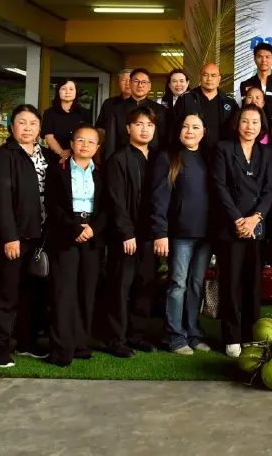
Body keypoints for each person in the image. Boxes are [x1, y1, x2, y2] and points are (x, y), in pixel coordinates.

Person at [0, 104, 53, 367]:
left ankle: (26, 342)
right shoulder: (2, 156)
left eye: (33, 123)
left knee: (33, 294)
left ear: (39, 128)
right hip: (15, 237)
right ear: (11, 127)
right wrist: (9, 236)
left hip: (41, 236)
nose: (27, 128)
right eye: (22, 122)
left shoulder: (45, 155)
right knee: (6, 293)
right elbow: (0, 201)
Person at [212, 105, 272, 357]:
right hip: (231, 228)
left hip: (256, 228)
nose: (250, 127)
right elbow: (219, 186)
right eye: (246, 121)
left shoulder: (267, 152)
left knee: (253, 285)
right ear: (238, 123)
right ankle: (231, 337)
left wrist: (254, 219)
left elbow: (270, 190)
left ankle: (251, 336)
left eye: (255, 122)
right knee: (229, 283)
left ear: (262, 127)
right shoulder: (223, 149)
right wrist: (239, 220)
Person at [151, 113, 214, 355]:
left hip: (206, 234)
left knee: (196, 284)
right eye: (185, 126)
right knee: (177, 284)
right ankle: (174, 336)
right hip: (179, 234)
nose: (190, 130)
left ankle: (193, 332)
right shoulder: (168, 157)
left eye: (196, 127)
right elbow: (159, 198)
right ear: (178, 131)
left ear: (203, 132)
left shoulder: (209, 158)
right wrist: (160, 232)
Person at [44, 126, 107, 367]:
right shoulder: (57, 170)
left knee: (86, 292)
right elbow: (52, 205)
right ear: (72, 142)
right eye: (80, 139)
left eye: (91, 142)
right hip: (65, 234)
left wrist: (93, 228)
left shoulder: (101, 172)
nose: (85, 145)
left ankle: (80, 344)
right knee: (63, 293)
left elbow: (107, 207)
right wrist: (74, 228)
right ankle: (61, 349)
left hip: (92, 236)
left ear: (97, 148)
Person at [105, 106, 159, 358]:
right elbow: (114, 200)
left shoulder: (159, 158)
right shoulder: (118, 158)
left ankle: (138, 335)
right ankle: (116, 338)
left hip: (150, 235)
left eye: (149, 124)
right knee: (120, 287)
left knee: (145, 286)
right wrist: (126, 233)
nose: (144, 129)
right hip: (125, 236)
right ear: (128, 128)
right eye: (139, 124)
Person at [102, 68, 169, 160]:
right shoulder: (116, 108)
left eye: (144, 82)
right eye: (136, 81)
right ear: (130, 83)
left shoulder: (160, 110)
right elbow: (110, 140)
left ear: (149, 86)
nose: (140, 85)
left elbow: (163, 140)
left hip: (152, 159)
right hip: (122, 159)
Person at [172, 62, 238, 151]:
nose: (209, 79)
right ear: (200, 77)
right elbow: (174, 128)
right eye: (205, 75)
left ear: (219, 79)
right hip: (192, 152)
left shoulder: (229, 102)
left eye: (213, 75)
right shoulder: (186, 99)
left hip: (221, 154)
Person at [42, 79, 90, 159]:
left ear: (76, 92)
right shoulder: (49, 113)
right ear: (58, 92)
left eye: (71, 89)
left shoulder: (84, 113)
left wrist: (71, 151)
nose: (67, 92)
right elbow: (49, 137)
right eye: (64, 88)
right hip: (56, 157)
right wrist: (63, 154)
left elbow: (87, 136)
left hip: (79, 157)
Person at [239, 42, 272, 123]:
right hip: (251, 133)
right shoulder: (244, 85)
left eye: (267, 57)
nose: (264, 60)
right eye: (260, 56)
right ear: (254, 59)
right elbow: (238, 112)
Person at [95, 68, 132, 146]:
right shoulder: (108, 103)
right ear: (119, 82)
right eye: (124, 80)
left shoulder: (145, 105)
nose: (127, 83)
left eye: (131, 80)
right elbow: (100, 128)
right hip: (111, 149)